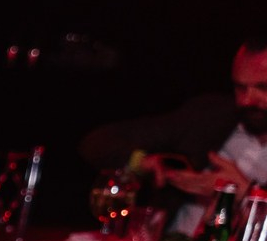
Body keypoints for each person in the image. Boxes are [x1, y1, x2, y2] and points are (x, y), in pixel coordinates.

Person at [81, 35, 267, 184]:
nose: (246, 100)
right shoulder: (209, 115)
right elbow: (97, 142)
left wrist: (244, 195)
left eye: (264, 88)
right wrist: (142, 163)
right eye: (240, 87)